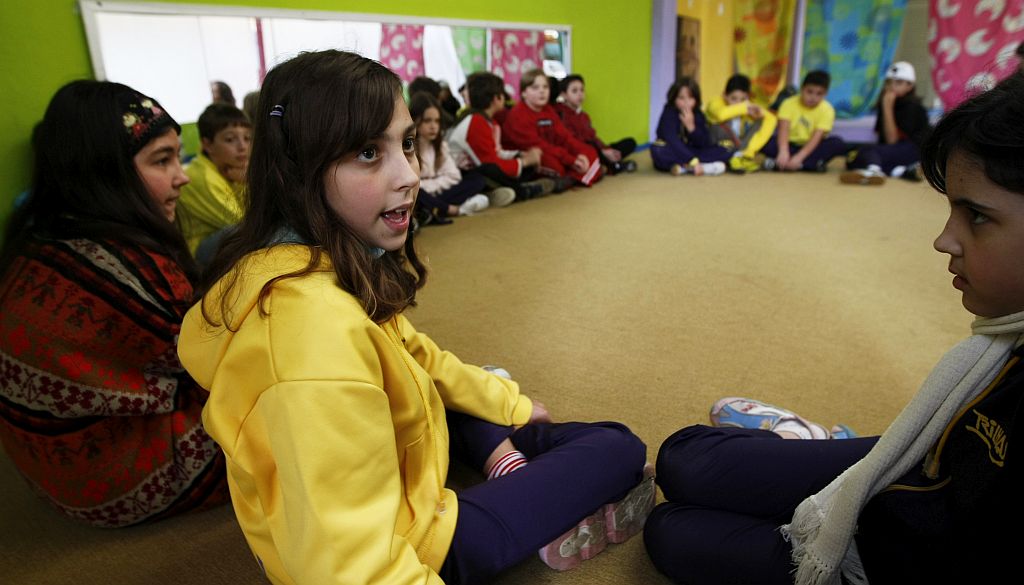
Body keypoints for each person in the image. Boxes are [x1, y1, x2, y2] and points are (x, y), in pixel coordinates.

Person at [177, 49, 654, 585]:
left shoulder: (299, 262)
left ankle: (501, 455)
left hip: (390, 494)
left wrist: (511, 404)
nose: (410, 175)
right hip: (422, 542)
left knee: (465, 385)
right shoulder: (312, 336)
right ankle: (516, 477)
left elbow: (415, 354)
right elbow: (351, 568)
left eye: (405, 143)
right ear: (299, 173)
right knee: (616, 446)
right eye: (366, 152)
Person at [643, 72, 1024, 584]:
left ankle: (811, 451)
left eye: (976, 216)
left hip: (886, 553)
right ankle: (815, 440)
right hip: (923, 452)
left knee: (670, 529)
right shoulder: (1002, 341)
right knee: (682, 456)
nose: (943, 240)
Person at [0, 80, 228, 527]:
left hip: (50, 463)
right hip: (108, 473)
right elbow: (219, 361)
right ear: (105, 172)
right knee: (308, 401)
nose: (181, 175)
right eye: (161, 160)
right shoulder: (127, 271)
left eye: (176, 156)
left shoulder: (42, 233)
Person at [447, 71, 557, 202]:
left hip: (479, 169)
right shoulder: (476, 121)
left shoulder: (489, 121)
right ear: (496, 98)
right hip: (462, 176)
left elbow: (496, 152)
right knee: (490, 169)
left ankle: (504, 190)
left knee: (521, 161)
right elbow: (488, 162)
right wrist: (524, 161)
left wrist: (521, 155)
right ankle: (524, 190)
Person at [409, 91, 508, 226]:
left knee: (477, 179)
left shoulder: (440, 146)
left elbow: (453, 176)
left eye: (437, 121)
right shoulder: (407, 149)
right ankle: (454, 209)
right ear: (415, 120)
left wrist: (430, 185)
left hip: (436, 194)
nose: (433, 126)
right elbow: (413, 185)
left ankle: (435, 208)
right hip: (419, 196)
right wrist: (430, 186)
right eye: (427, 121)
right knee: (415, 194)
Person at [501, 69, 603, 188]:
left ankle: (572, 178)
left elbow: (564, 137)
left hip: (554, 151)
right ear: (524, 93)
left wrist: (577, 154)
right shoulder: (518, 115)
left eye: (545, 87)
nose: (542, 91)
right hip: (530, 154)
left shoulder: (548, 110)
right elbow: (538, 146)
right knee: (555, 165)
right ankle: (578, 176)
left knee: (590, 152)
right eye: (535, 88)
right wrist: (571, 160)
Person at [178, 103, 252, 255]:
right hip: (198, 256)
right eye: (230, 139)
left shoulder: (229, 168)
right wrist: (250, 181)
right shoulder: (203, 177)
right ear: (207, 145)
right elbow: (248, 224)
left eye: (247, 138)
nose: (242, 146)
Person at [841, 61, 931, 186]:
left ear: (909, 86)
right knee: (852, 159)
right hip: (893, 150)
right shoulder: (886, 102)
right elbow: (882, 140)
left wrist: (887, 106)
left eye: (898, 83)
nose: (892, 87)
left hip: (912, 150)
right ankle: (900, 171)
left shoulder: (913, 107)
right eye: (889, 82)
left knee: (870, 152)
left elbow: (892, 140)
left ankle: (874, 170)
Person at [762, 70, 848, 172]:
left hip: (811, 147)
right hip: (789, 144)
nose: (813, 97)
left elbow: (817, 137)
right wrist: (783, 151)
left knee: (837, 143)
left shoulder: (827, 110)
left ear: (825, 94)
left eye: (819, 94)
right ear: (802, 89)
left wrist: (799, 157)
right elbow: (783, 129)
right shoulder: (788, 103)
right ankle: (809, 165)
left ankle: (782, 164)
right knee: (763, 139)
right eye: (809, 92)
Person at [555, 74, 638, 175]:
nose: (580, 94)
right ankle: (614, 166)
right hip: (580, 152)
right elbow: (573, 141)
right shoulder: (561, 114)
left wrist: (606, 149)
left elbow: (593, 137)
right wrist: (601, 152)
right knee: (591, 148)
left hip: (596, 149)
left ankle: (610, 161)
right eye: (574, 91)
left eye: (582, 90)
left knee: (630, 142)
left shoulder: (584, 116)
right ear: (564, 95)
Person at [650, 77, 729, 176]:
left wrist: (691, 127)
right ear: (674, 99)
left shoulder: (698, 113)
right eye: (681, 98)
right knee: (658, 149)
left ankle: (684, 168)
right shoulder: (669, 112)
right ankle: (700, 166)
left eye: (690, 98)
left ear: (696, 100)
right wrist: (692, 160)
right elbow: (672, 139)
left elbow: (703, 142)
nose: (686, 103)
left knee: (727, 147)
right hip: (675, 150)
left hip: (693, 151)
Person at [705, 73, 778, 174]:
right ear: (724, 95)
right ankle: (743, 158)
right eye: (734, 98)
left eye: (743, 99)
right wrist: (745, 108)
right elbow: (721, 115)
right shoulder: (715, 102)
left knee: (762, 120)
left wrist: (750, 150)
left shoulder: (748, 106)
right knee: (719, 125)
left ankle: (744, 155)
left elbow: (772, 119)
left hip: (739, 144)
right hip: (719, 144)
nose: (738, 103)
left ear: (748, 98)